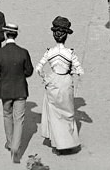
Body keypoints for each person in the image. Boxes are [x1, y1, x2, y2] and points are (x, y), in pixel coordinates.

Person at [39, 16, 83, 154]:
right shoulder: (70, 53)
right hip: (65, 82)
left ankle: (57, 143)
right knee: (68, 113)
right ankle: (69, 142)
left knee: (54, 114)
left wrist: (46, 78)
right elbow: (80, 71)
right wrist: (72, 71)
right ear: (66, 36)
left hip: (53, 81)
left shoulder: (49, 52)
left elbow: (38, 68)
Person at [0, 25, 34, 161]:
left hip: (5, 90)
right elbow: (29, 71)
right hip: (20, 90)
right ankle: (16, 148)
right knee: (19, 119)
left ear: (5, 35)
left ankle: (10, 142)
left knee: (7, 116)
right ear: (16, 35)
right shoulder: (23, 52)